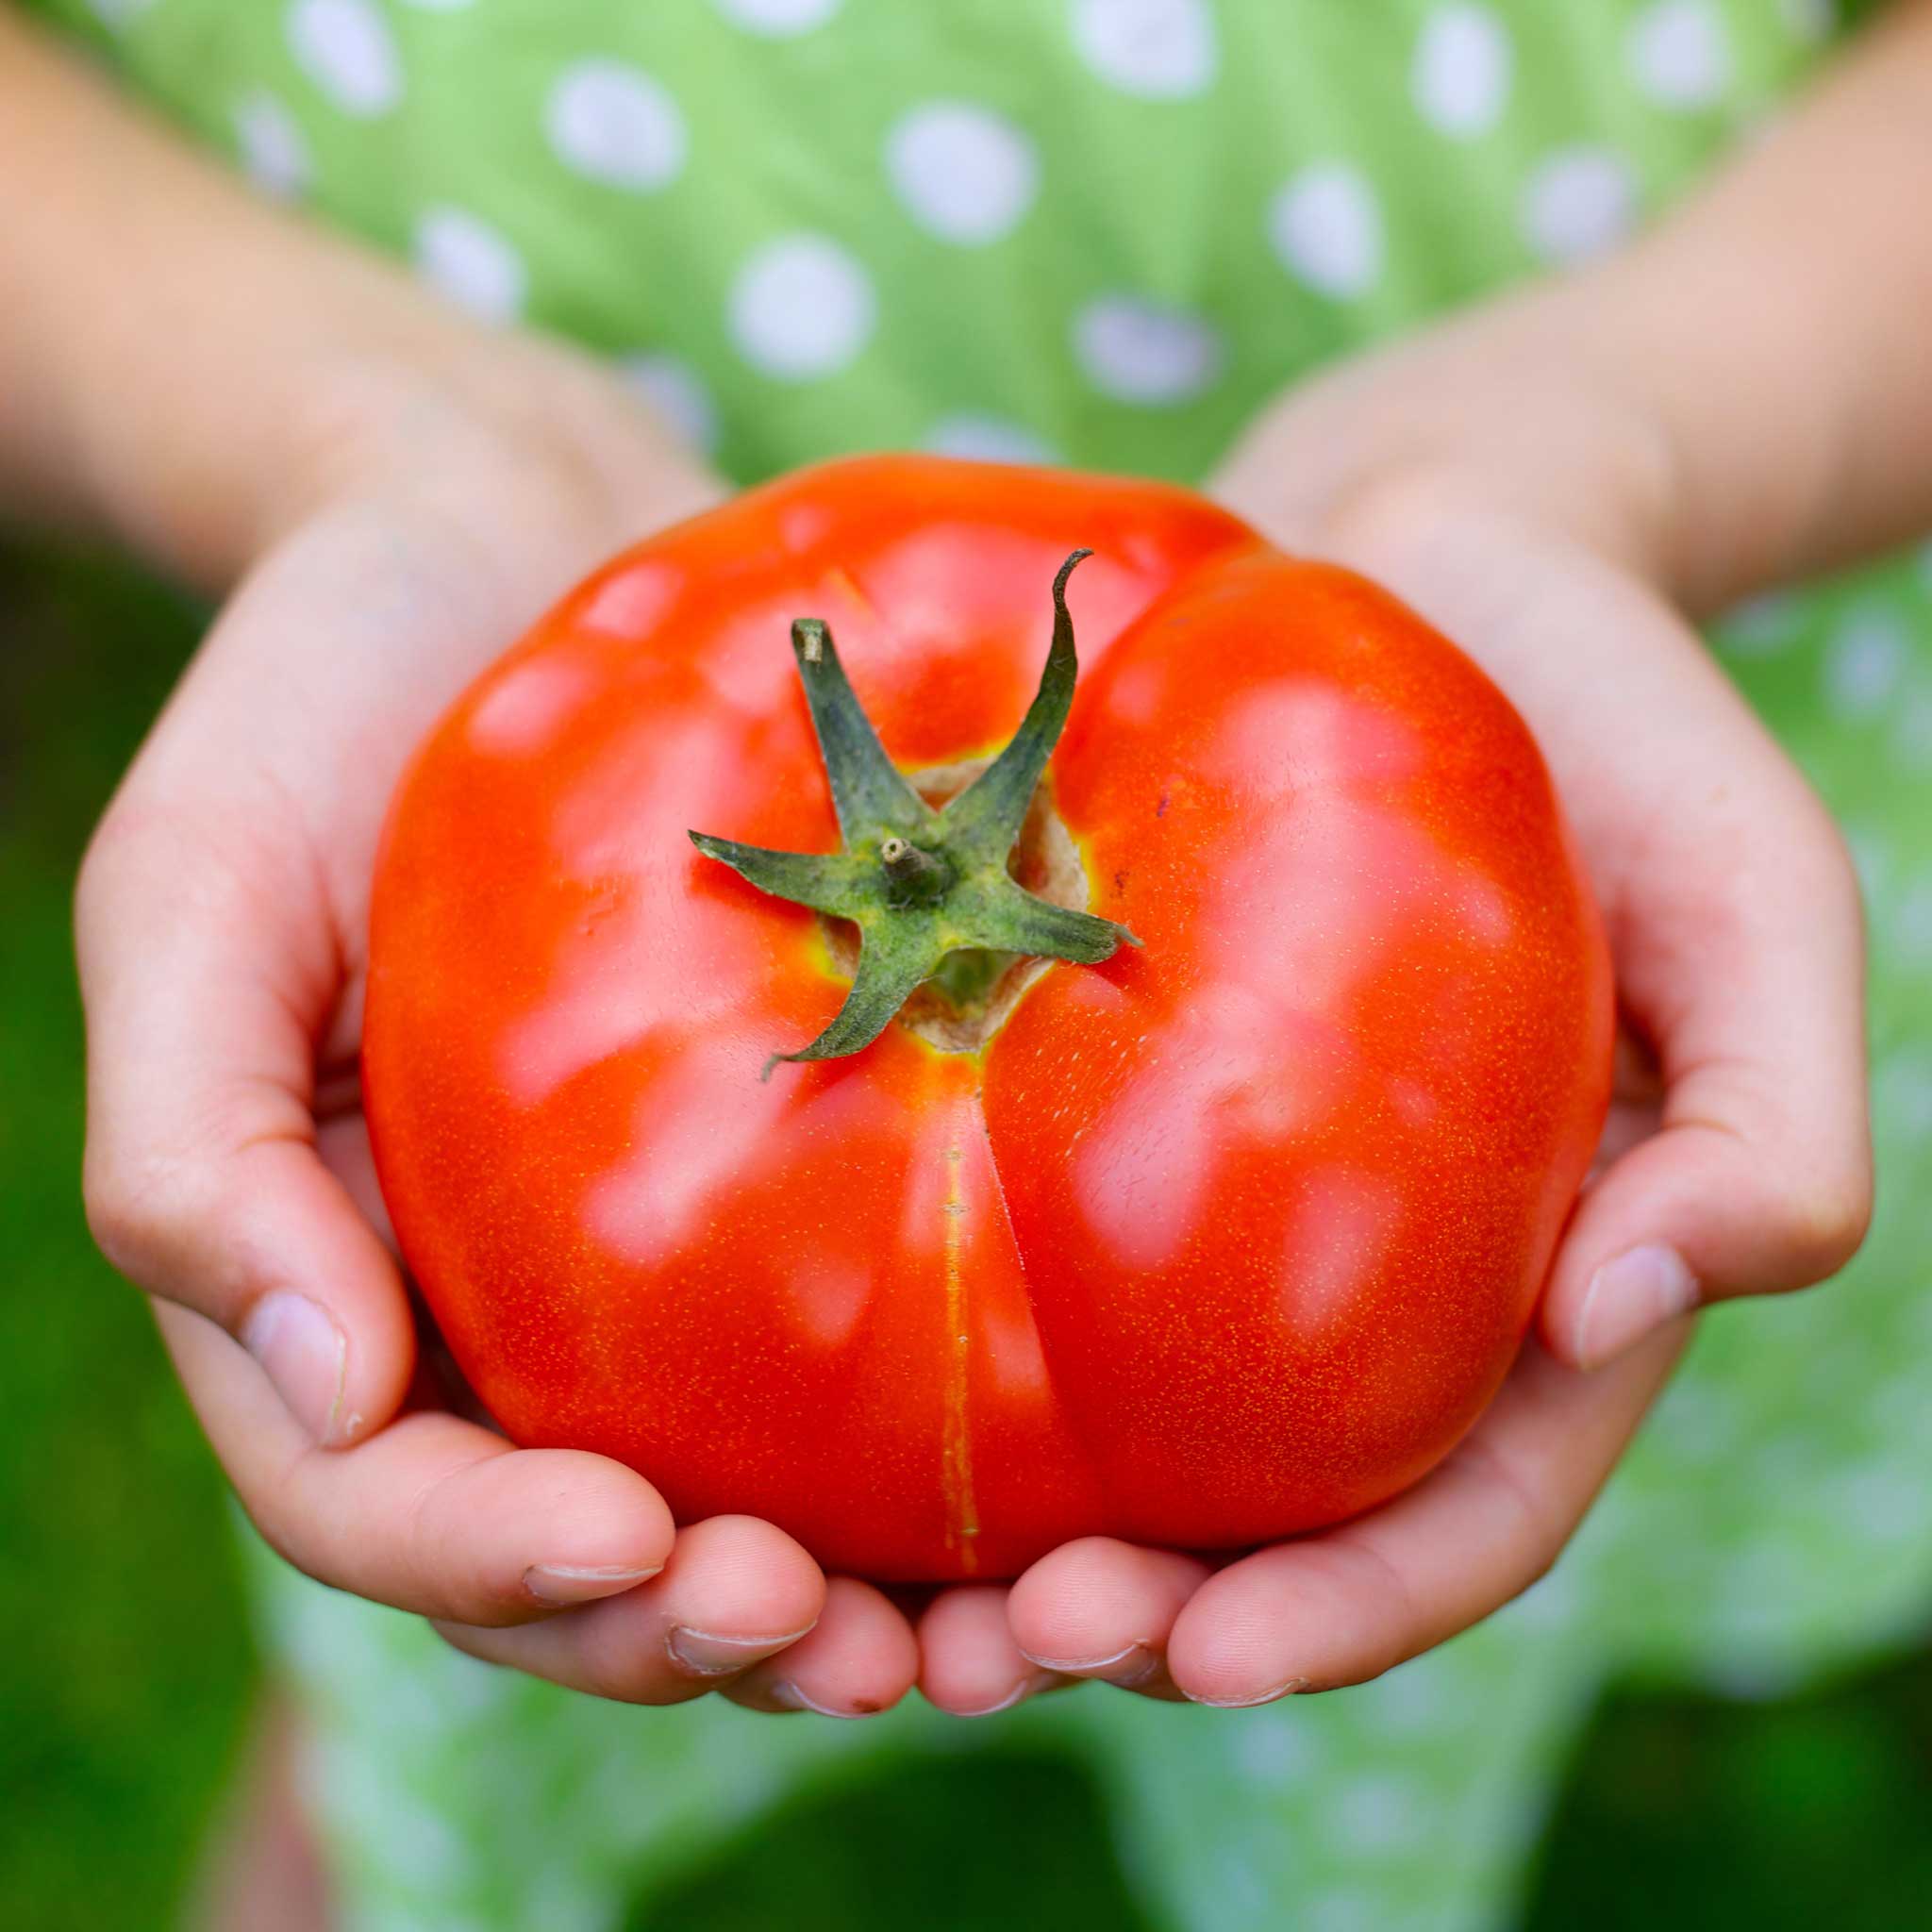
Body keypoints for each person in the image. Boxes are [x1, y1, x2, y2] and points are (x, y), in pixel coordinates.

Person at [6, 1, 1928, 1924]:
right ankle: (376, 1824)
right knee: (486, 1555)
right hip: (470, 515)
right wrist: (327, 424)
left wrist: (1644, 432)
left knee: (1371, 1591)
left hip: (1687, 501)